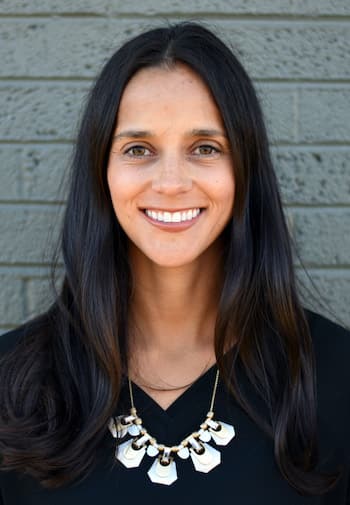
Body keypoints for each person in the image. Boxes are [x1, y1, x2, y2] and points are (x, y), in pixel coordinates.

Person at [0, 21, 349, 505]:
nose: (169, 182)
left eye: (205, 148)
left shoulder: (336, 376)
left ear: (245, 169)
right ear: (101, 172)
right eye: (138, 149)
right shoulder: (11, 383)